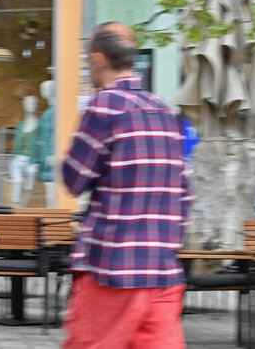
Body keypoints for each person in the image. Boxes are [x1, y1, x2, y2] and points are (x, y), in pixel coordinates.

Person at [61, 22, 193, 349]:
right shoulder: (166, 113)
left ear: (97, 60)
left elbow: (74, 179)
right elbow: (184, 193)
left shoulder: (105, 106)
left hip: (112, 269)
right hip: (163, 271)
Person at [9, 95, 39, 206]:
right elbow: (16, 145)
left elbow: (40, 144)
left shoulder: (38, 125)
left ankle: (24, 205)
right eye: (28, 103)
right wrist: (13, 159)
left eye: (33, 103)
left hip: (31, 159)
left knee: (29, 178)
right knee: (17, 179)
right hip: (19, 157)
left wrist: (36, 161)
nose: (30, 106)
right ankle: (15, 204)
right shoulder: (20, 125)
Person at [34, 80, 56, 208]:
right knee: (49, 190)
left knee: (52, 190)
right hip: (45, 156)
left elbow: (55, 135)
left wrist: (54, 153)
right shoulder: (48, 113)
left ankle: (53, 214)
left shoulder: (55, 113)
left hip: (51, 156)